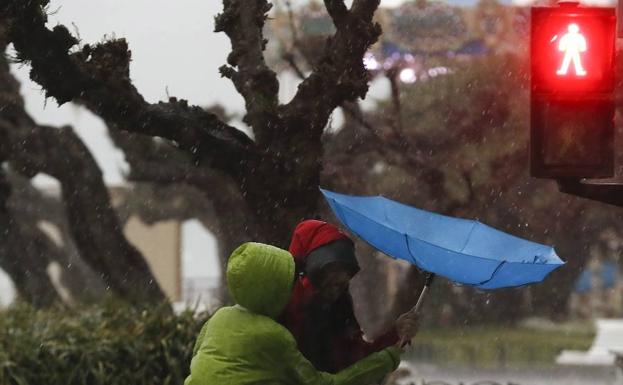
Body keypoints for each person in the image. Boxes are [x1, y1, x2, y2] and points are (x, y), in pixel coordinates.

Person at [184, 242, 404, 385]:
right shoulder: (274, 336)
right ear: (272, 290)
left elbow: (197, 361)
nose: (293, 290)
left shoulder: (219, 318)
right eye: (289, 284)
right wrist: (386, 359)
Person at [280, 219, 419, 373]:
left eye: (345, 273)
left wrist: (396, 334)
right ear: (312, 267)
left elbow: (358, 360)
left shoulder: (339, 308)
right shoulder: (285, 305)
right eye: (332, 269)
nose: (338, 284)